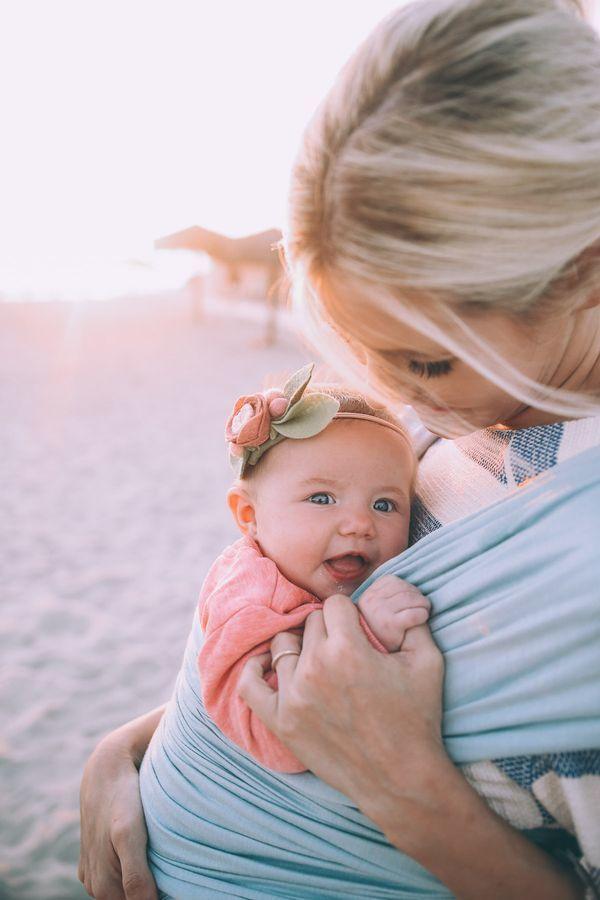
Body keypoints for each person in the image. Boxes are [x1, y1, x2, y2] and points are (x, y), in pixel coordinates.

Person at [79, 0, 600, 897]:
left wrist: (398, 782)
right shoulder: (485, 407)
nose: (401, 396)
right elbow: (329, 653)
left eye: (426, 359)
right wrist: (134, 744)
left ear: (584, 266)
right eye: (373, 358)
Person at [197, 364, 426, 773]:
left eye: (384, 505)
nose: (359, 523)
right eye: (322, 498)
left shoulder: (292, 566)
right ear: (249, 514)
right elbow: (277, 735)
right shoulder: (250, 599)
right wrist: (369, 635)